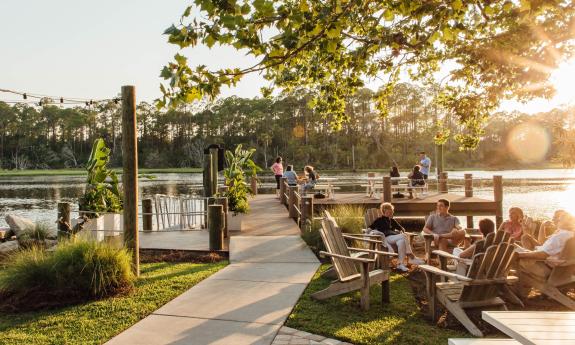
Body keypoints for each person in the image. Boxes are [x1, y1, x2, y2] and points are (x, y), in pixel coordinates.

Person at [516, 211, 575, 280]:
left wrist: (518, 254)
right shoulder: (570, 235)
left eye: (558, 219)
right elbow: (544, 245)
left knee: (510, 252)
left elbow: (542, 255)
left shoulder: (560, 236)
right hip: (561, 270)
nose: (554, 220)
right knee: (516, 246)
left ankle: (520, 283)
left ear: (563, 222)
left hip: (544, 268)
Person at [367, 202, 425, 272]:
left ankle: (400, 264)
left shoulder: (392, 220)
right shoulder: (379, 220)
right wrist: (369, 232)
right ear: (384, 210)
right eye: (390, 210)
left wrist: (400, 230)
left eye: (392, 210)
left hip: (394, 238)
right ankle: (411, 256)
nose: (391, 211)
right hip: (386, 239)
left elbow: (402, 228)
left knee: (402, 241)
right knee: (403, 236)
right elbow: (370, 228)